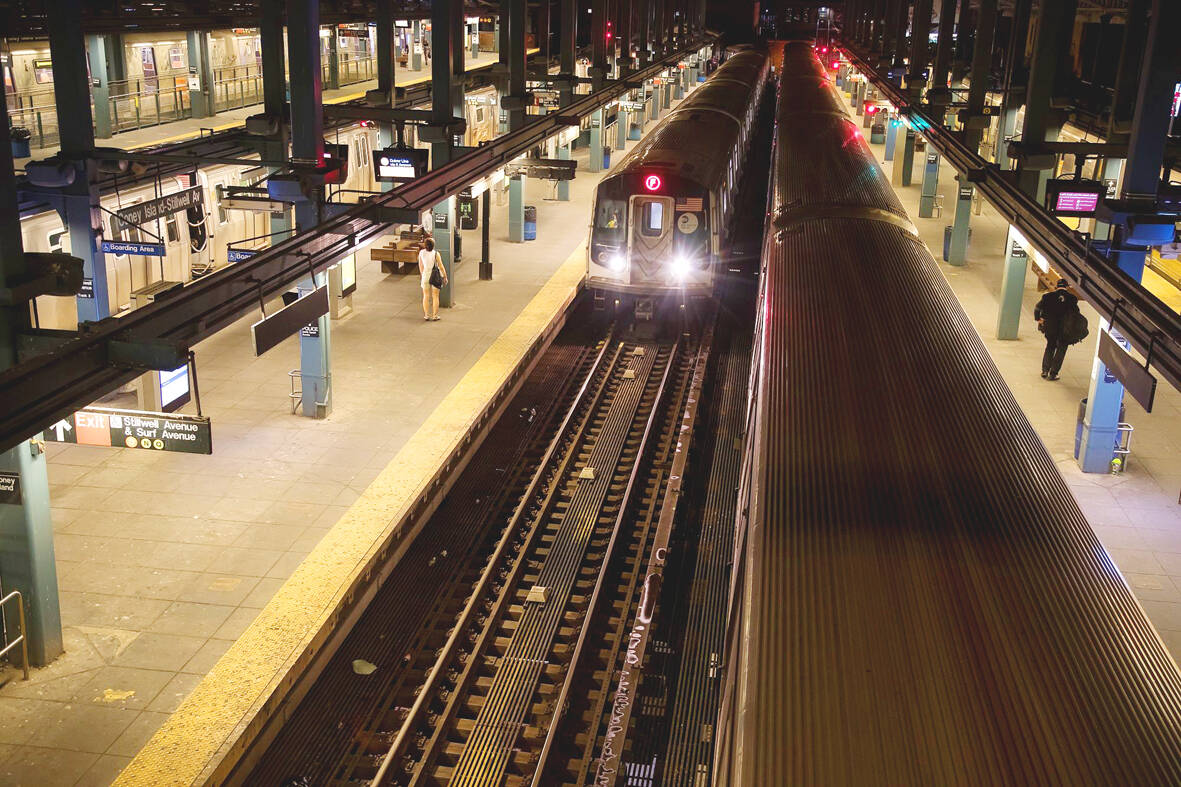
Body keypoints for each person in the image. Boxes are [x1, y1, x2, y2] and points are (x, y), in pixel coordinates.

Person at [1034, 279, 1079, 380]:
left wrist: (1038, 319)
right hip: (1065, 329)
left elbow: (1037, 308)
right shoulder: (1072, 299)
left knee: (1050, 346)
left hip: (1050, 327)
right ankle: (1053, 373)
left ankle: (1045, 370)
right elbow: (1076, 314)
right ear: (1067, 287)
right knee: (1061, 349)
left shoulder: (1047, 297)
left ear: (1056, 286)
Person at [418, 237, 448, 321]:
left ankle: (426, 315)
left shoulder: (421, 253)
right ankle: (435, 315)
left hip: (425, 275)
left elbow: (421, 266)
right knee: (435, 296)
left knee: (426, 296)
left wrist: (422, 275)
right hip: (435, 275)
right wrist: (445, 276)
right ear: (433, 245)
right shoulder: (436, 254)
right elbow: (441, 266)